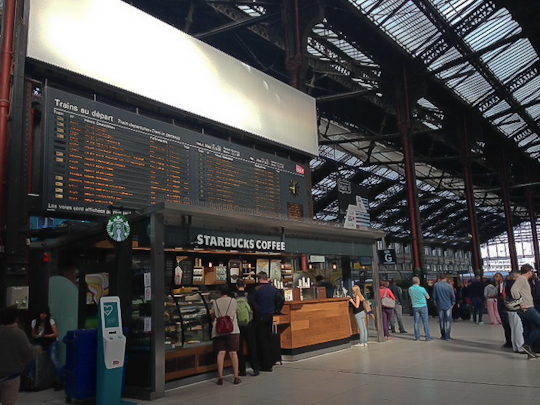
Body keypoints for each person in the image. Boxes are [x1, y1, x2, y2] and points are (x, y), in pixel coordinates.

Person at [0, 306, 38, 405]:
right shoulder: (19, 334)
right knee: (9, 402)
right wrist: (37, 350)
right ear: (16, 319)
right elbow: (29, 354)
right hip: (11, 376)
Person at [212, 284, 241, 385]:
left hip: (218, 330)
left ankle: (220, 377)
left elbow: (214, 315)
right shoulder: (233, 301)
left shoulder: (215, 302)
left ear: (219, 292)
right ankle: (236, 377)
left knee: (221, 353)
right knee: (233, 353)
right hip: (233, 329)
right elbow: (236, 312)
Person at [30, 307, 64, 389]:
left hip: (51, 342)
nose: (43, 315)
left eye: (44, 314)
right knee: (33, 356)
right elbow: (33, 334)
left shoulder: (50, 321)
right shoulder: (35, 322)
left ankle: (63, 379)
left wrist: (44, 335)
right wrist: (38, 336)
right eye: (41, 314)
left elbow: (56, 334)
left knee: (54, 359)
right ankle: (30, 377)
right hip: (41, 341)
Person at [511, 264, 540, 358]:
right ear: (529, 271)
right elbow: (514, 290)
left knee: (527, 327)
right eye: (532, 272)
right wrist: (521, 303)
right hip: (527, 307)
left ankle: (529, 351)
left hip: (524, 308)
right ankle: (527, 344)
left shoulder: (522, 280)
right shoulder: (522, 279)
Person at [253, 271, 277, 372]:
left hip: (260, 317)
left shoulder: (257, 289)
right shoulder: (273, 289)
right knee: (268, 338)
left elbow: (252, 302)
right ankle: (271, 361)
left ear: (260, 279)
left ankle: (264, 364)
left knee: (261, 340)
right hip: (270, 316)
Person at [235, 279, 259, 376]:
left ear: (236, 286)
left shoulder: (233, 296)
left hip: (237, 326)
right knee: (252, 347)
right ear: (244, 285)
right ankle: (255, 368)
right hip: (249, 324)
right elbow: (256, 309)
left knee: (239, 348)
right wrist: (255, 322)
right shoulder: (249, 296)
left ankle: (242, 370)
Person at [506, 271, 525, 354]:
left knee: (513, 327)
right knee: (518, 328)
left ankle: (515, 346)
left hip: (510, 308)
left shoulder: (508, 284)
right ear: (514, 277)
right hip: (516, 308)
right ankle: (520, 346)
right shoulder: (515, 285)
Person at [408, 276, 432, 341]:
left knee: (416, 322)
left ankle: (417, 337)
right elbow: (427, 297)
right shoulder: (422, 289)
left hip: (415, 306)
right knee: (425, 322)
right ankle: (427, 337)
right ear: (418, 282)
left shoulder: (410, 289)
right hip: (423, 306)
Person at [432, 274, 455, 340]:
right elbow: (453, 296)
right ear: (446, 278)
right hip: (448, 304)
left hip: (439, 304)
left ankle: (443, 335)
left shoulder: (436, 285)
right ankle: (448, 336)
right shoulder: (449, 286)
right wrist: (453, 303)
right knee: (448, 321)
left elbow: (434, 296)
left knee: (441, 320)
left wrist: (434, 302)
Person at [495, 272, 513, 349]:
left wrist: (495, 296)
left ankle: (509, 341)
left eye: (497, 276)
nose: (496, 278)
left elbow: (503, 296)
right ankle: (509, 340)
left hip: (503, 306)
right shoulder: (498, 285)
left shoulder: (503, 285)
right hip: (501, 306)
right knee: (505, 324)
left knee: (506, 324)